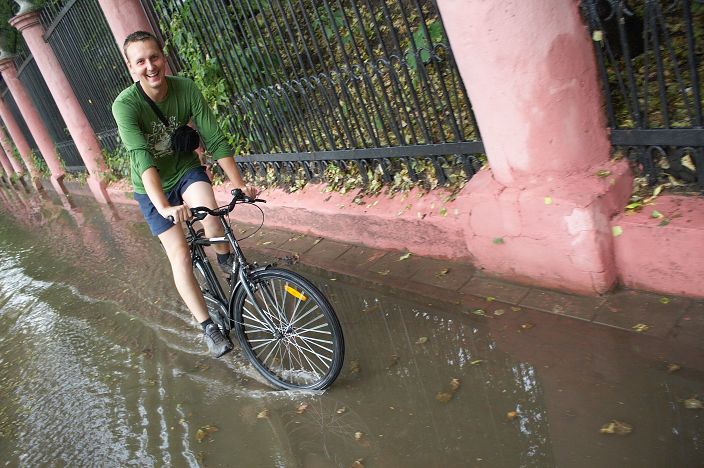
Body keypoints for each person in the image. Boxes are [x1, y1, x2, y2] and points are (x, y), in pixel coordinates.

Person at [112, 31, 252, 358]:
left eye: (154, 57)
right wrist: (164, 206)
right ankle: (208, 326)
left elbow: (214, 138)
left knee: (213, 219)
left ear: (164, 57)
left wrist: (238, 183)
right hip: (152, 188)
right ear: (131, 68)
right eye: (141, 61)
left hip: (186, 168)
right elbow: (141, 157)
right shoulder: (125, 105)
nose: (150, 66)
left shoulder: (185, 88)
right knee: (181, 255)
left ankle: (226, 263)